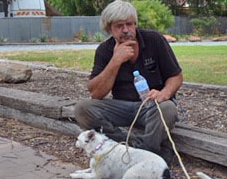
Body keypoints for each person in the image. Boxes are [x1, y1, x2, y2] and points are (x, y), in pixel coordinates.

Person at [74, 0, 183, 165]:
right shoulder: (105, 50)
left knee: (168, 108)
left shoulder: (154, 40)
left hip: (152, 105)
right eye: (119, 26)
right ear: (109, 28)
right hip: (121, 106)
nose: (126, 30)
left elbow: (176, 76)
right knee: (82, 109)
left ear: (135, 24)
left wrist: (164, 93)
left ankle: (145, 153)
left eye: (129, 24)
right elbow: (96, 93)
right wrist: (115, 61)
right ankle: (130, 144)